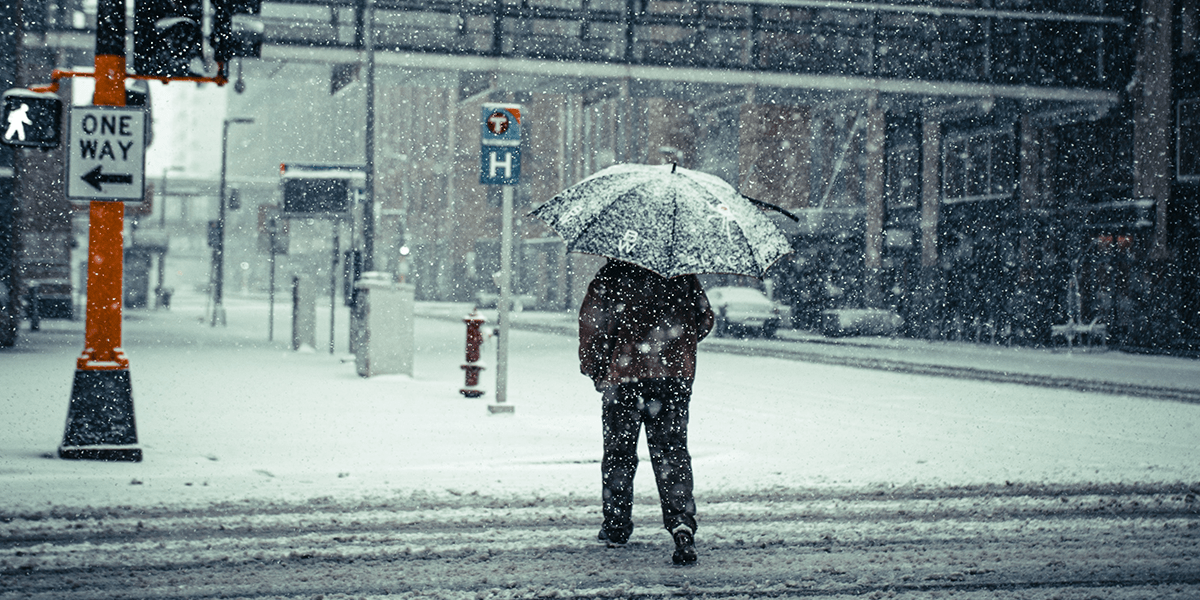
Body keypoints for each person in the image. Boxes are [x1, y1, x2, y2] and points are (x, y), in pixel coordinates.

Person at [578, 258, 714, 565]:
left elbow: (592, 326)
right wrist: (674, 347)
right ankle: (680, 524)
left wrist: (598, 369)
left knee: (619, 453)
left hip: (624, 377)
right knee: (672, 452)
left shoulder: (612, 274)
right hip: (673, 378)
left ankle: (616, 525)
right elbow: (704, 320)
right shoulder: (683, 275)